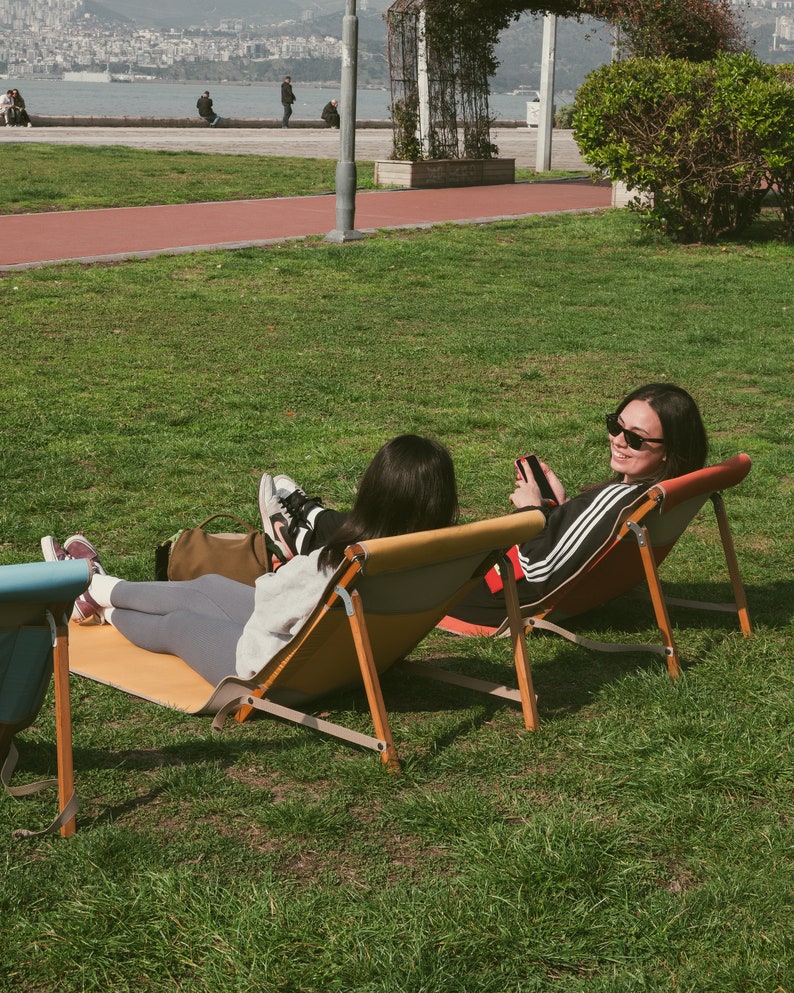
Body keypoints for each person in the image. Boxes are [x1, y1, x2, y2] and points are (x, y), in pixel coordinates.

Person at [260, 384, 708, 630]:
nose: (617, 440)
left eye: (634, 438)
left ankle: (303, 529)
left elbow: (541, 568)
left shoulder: (620, 498)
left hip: (486, 594)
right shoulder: (652, 496)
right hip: (499, 580)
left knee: (400, 537)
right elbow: (575, 544)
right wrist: (560, 506)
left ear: (669, 452)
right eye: (616, 425)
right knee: (406, 530)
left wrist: (529, 511)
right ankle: (309, 523)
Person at [41, 435, 459, 685]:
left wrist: (293, 566)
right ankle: (96, 585)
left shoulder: (344, 562)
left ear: (373, 495)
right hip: (351, 658)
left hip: (280, 671)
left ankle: (96, 598)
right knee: (208, 588)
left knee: (181, 624)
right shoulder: (445, 554)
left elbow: (273, 600)